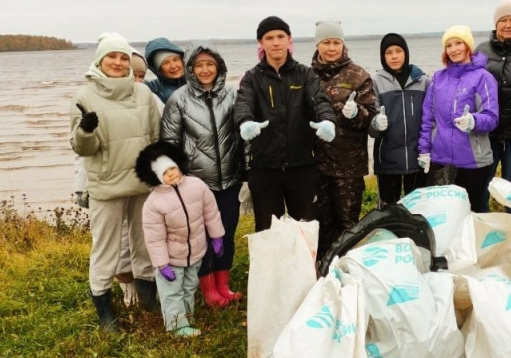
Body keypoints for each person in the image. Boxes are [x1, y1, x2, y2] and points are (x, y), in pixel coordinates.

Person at [70, 32, 161, 332]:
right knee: (106, 250)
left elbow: (154, 138)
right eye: (112, 56)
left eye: (124, 58)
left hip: (142, 184)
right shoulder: (85, 97)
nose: (118, 62)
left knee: (145, 245)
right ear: (100, 59)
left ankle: (148, 301)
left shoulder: (144, 95)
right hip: (106, 187)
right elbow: (83, 149)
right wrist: (85, 132)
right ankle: (104, 308)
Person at [234, 16, 336, 232]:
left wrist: (327, 120)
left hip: (301, 166)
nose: (276, 42)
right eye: (269, 38)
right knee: (268, 231)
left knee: (306, 228)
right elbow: (243, 103)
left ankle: (308, 266)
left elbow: (319, 100)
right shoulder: (252, 77)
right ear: (261, 43)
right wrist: (244, 122)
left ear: (289, 40)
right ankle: (270, 267)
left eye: (281, 36)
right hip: (264, 167)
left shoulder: (305, 74)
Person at [161, 44, 244, 308]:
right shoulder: (179, 99)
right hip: (196, 183)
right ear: (191, 69)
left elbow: (244, 137)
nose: (205, 70)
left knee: (226, 234)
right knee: (203, 238)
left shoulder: (232, 96)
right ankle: (208, 290)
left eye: (210, 64)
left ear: (218, 66)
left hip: (230, 180)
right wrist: (178, 179)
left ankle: (223, 284)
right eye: (199, 65)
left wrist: (248, 174)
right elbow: (170, 143)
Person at [135, 141, 224, 338]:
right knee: (172, 291)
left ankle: (186, 318)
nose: (172, 174)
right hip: (172, 259)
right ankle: (176, 326)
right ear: (158, 177)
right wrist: (162, 263)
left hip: (195, 253)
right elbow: (154, 238)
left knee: (189, 286)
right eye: (165, 173)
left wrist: (217, 236)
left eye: (173, 168)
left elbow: (211, 212)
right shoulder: (154, 203)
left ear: (179, 165)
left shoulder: (197, 185)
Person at [310, 20, 378, 259]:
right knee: (320, 224)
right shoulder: (306, 76)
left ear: (343, 43)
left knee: (348, 224)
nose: (331, 47)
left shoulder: (358, 75)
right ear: (318, 44)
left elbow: (372, 118)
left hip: (348, 165)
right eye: (326, 42)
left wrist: (357, 113)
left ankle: (347, 268)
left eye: (336, 42)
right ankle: (322, 270)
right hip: (316, 164)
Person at [417, 25, 499, 212]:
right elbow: (428, 119)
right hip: (440, 159)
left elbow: (492, 118)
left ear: (468, 46)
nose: (454, 49)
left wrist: (474, 121)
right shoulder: (438, 78)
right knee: (442, 214)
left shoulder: (483, 78)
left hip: (473, 162)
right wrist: (424, 151)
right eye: (449, 45)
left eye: (458, 43)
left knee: (471, 212)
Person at [476, 0, 511, 208]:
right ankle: (480, 232)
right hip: (486, 135)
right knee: (480, 187)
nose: (508, 25)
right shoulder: (481, 51)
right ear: (495, 23)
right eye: (503, 20)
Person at [369, 32, 430, 207]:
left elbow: (431, 118)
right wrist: (375, 123)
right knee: (389, 211)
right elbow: (370, 129)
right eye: (389, 52)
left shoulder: (423, 81)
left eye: (398, 51)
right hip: (387, 159)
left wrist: (428, 150)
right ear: (383, 56)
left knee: (418, 210)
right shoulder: (375, 82)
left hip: (417, 158)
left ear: (406, 53)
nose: (394, 56)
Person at [144, 38, 186, 104]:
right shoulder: (152, 89)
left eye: (176, 60)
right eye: (166, 63)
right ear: (158, 69)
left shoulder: (197, 83)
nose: (173, 66)